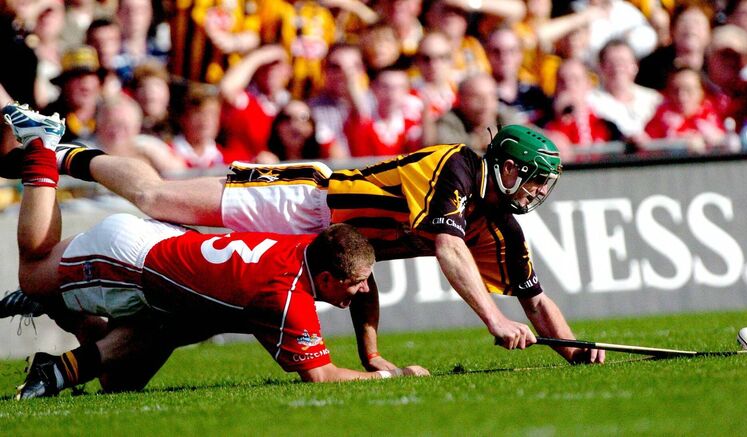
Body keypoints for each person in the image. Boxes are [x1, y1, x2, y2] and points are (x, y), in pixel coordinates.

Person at [4, 102, 606, 370]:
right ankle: (57, 146)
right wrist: (495, 324)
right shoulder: (455, 169)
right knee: (158, 200)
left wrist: (572, 346)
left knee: (191, 304)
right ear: (501, 163)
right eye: (528, 178)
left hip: (328, 237)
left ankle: (58, 307)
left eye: (540, 184)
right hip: (303, 203)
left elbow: (535, 295)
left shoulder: (499, 223)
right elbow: (449, 248)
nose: (533, 191)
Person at [4, 112, 428, 399]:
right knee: (34, 269)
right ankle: (43, 150)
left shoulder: (307, 246)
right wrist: (390, 376)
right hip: (130, 262)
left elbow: (351, 270)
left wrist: (372, 355)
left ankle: (58, 358)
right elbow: (323, 376)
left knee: (123, 379)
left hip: (159, 257)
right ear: (331, 279)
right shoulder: (284, 294)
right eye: (355, 284)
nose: (363, 290)